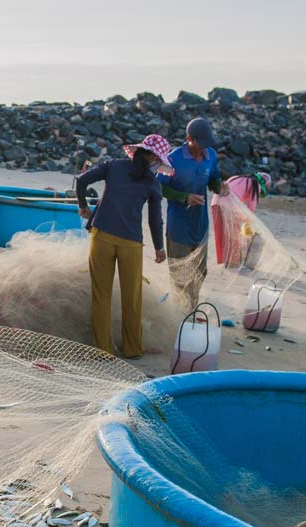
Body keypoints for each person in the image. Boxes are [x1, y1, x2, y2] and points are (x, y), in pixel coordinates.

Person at [77, 134, 174, 358]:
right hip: (131, 243)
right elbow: (154, 220)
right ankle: (132, 349)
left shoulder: (114, 166)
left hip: (102, 237)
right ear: (152, 158)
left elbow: (82, 180)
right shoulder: (152, 183)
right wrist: (159, 248)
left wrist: (83, 206)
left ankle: (103, 351)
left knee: (101, 296)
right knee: (132, 298)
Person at [159, 117, 229, 311]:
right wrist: (183, 197)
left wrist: (219, 187)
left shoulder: (211, 155)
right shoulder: (173, 159)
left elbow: (213, 178)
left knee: (200, 272)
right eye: (201, 144)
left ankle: (190, 309)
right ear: (189, 138)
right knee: (180, 274)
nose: (204, 149)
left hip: (200, 224)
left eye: (207, 144)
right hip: (179, 226)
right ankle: (180, 313)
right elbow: (158, 187)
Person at [211, 171, 272, 267]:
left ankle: (227, 260)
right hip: (229, 205)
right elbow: (251, 209)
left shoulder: (236, 177)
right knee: (235, 235)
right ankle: (233, 262)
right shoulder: (255, 184)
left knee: (223, 234)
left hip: (215, 203)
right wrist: (250, 224)